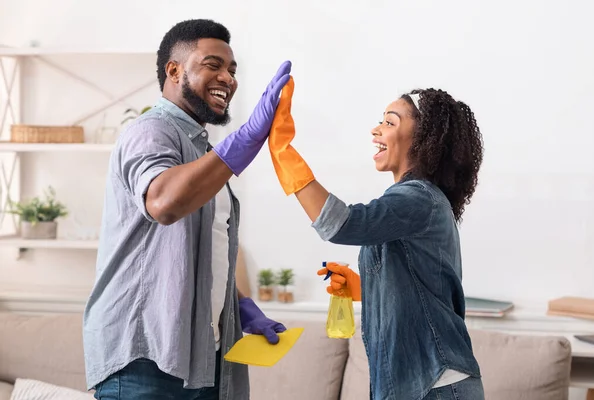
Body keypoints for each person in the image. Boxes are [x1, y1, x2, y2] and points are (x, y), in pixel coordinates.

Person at [83, 19, 289, 400]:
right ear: (174, 71)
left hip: (202, 355)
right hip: (146, 359)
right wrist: (248, 138)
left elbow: (205, 247)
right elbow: (163, 203)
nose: (227, 78)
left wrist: (241, 305)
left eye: (232, 70)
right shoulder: (150, 131)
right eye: (213, 65)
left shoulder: (203, 150)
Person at [268, 77, 485, 399]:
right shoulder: (411, 201)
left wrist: (283, 152)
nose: (375, 130)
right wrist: (363, 287)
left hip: (436, 383)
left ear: (422, 138)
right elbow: (420, 285)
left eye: (389, 122)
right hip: (419, 384)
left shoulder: (419, 199)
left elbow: (340, 224)